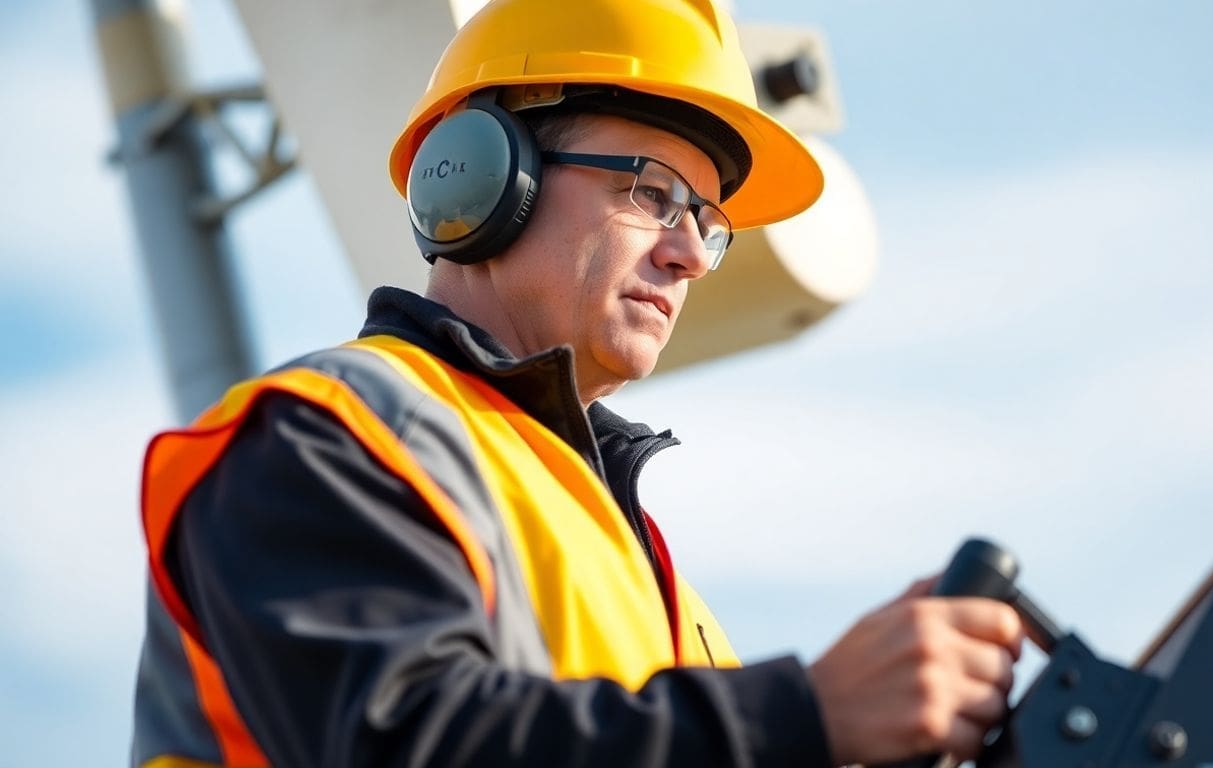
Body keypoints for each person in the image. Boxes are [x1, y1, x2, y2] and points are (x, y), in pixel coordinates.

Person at [131, 0, 1025, 765]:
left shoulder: (661, 591)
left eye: (709, 224)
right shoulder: (324, 436)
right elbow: (406, 742)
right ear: (481, 176)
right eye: (654, 192)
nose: (690, 256)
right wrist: (808, 715)